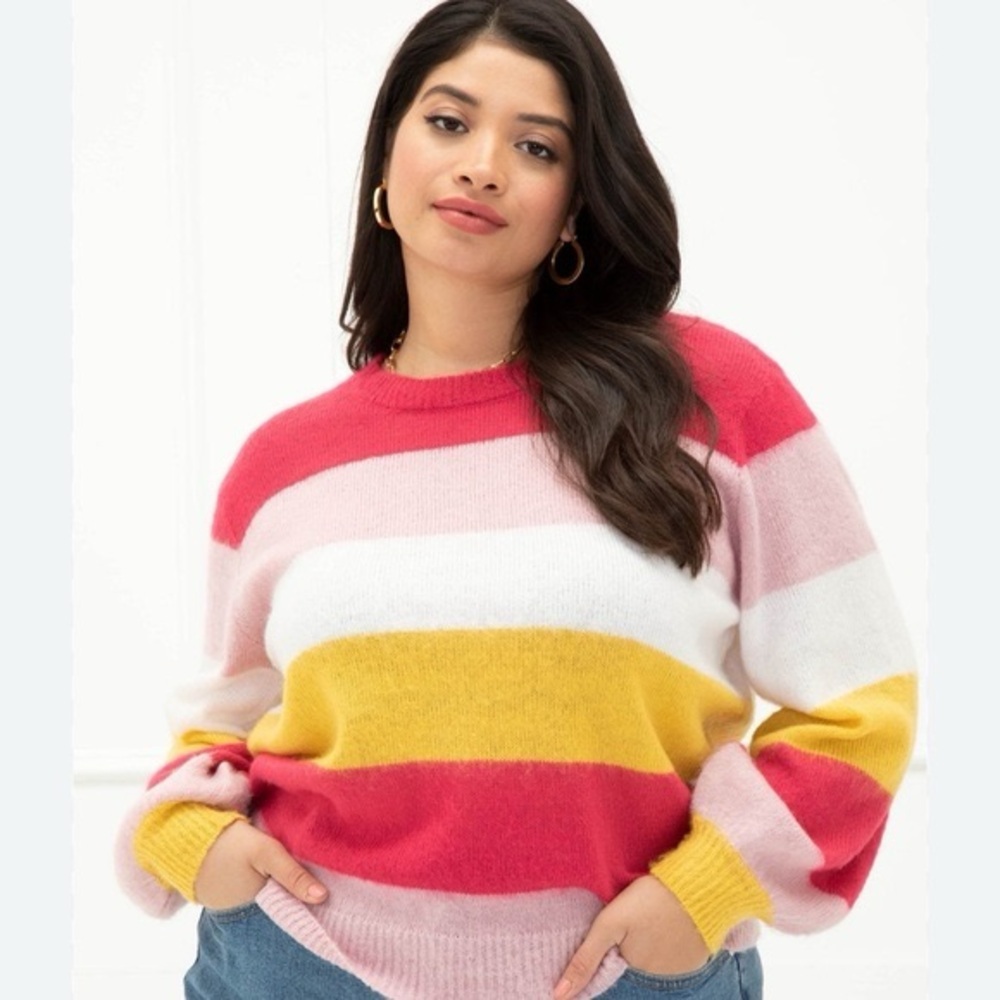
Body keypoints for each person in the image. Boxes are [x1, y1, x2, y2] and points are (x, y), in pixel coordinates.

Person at [113, 1, 918, 997]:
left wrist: (709, 888)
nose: (483, 164)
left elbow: (861, 699)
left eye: (536, 146)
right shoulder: (281, 463)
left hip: (627, 977)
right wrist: (187, 833)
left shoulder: (712, 397)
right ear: (386, 161)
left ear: (574, 204)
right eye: (448, 122)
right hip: (298, 964)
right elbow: (218, 718)